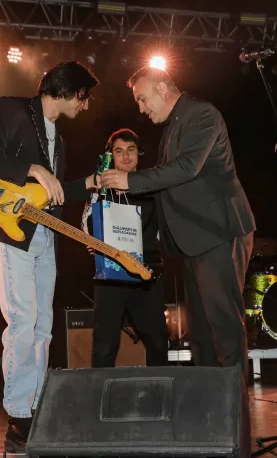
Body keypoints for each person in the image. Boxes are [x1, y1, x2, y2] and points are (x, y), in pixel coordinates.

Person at [0, 61, 99, 452]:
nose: (86, 106)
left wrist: (90, 184)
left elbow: (52, 195)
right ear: (69, 90)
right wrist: (34, 168)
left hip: (44, 233)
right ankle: (18, 417)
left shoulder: (60, 138)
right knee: (22, 320)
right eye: (84, 97)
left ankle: (36, 407)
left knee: (43, 326)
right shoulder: (11, 108)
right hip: (12, 231)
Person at [100, 67, 256, 375]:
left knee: (223, 324)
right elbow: (169, 185)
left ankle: (234, 399)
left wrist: (130, 180)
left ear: (161, 88)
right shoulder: (173, 125)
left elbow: (186, 168)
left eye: (142, 99)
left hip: (218, 232)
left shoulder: (202, 114)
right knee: (200, 331)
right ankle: (209, 396)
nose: (141, 109)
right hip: (194, 240)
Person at [80, 129, 168, 368]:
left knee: (158, 341)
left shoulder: (153, 186)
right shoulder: (100, 186)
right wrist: (92, 241)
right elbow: (87, 222)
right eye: (119, 151)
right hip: (110, 276)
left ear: (139, 154)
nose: (126, 156)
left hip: (146, 274)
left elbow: (164, 229)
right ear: (111, 156)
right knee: (104, 344)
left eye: (131, 150)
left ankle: (160, 389)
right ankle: (101, 391)